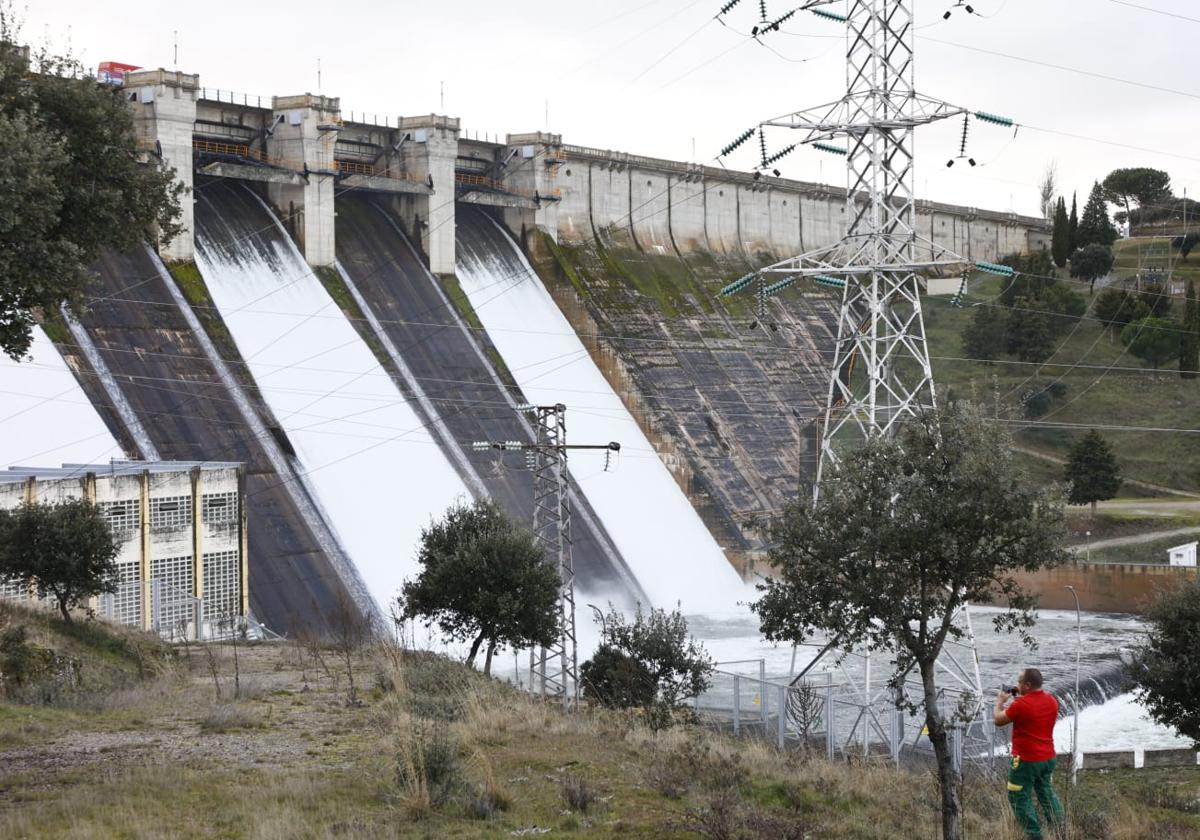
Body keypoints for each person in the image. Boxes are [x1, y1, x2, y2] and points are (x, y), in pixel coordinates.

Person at [994, 668, 1065, 839]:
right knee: (1046, 792)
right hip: (1048, 757)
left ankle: (1034, 835)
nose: (1016, 685)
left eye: (1019, 682)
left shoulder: (1020, 705)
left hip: (1026, 760)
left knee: (1018, 796)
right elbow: (1032, 712)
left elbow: (998, 720)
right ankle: (1061, 828)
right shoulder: (1052, 701)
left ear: (1027, 684)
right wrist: (1022, 695)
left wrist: (1000, 702)